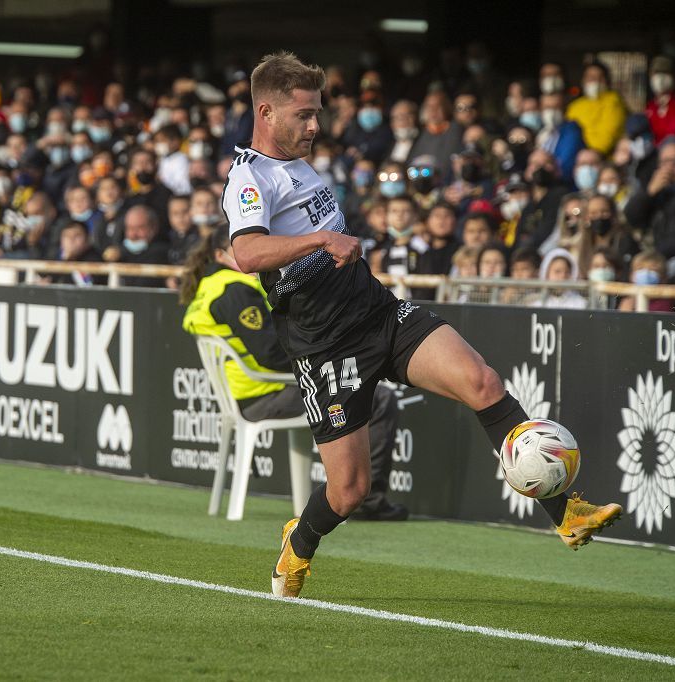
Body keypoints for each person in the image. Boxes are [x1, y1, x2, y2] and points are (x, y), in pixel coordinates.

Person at [223, 52, 622, 599]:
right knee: (349, 491)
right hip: (326, 347)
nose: (316, 126)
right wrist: (321, 240)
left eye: (317, 113)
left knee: (481, 382)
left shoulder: (302, 164)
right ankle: (300, 540)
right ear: (265, 112)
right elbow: (245, 252)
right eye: (304, 116)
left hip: (380, 314)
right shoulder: (248, 175)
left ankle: (566, 513)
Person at [180, 228, 409, 520]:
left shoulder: (209, 287)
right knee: (378, 397)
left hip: (247, 396)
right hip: (265, 394)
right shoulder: (234, 290)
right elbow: (270, 354)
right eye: (240, 246)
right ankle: (368, 499)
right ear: (219, 255)